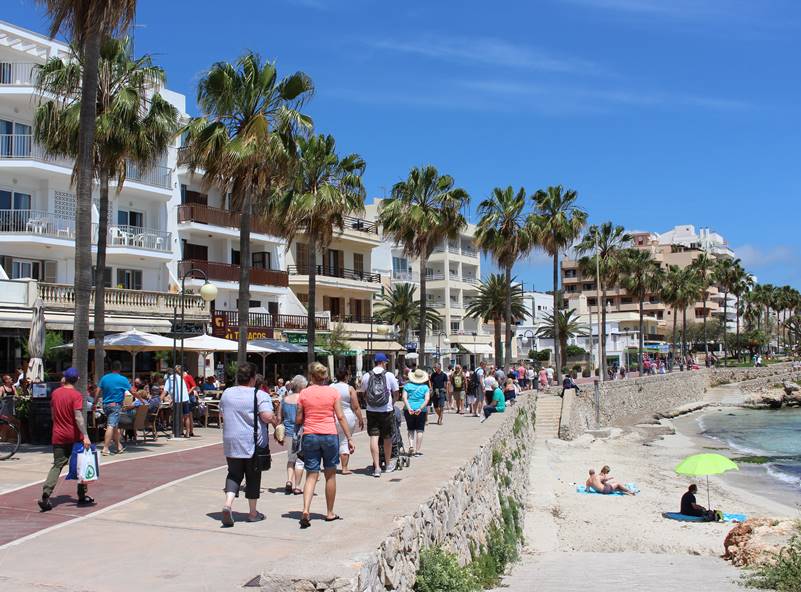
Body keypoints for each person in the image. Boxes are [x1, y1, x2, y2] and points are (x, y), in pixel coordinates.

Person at [219, 362, 278, 527]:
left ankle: (228, 504)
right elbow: (267, 416)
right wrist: (275, 420)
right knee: (253, 477)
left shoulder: (227, 393)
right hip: (252, 443)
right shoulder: (259, 395)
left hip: (231, 442)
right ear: (253, 378)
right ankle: (253, 513)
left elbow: (223, 412)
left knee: (233, 474)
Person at [297, 362, 355, 528]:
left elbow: (299, 419)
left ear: (311, 376)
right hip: (329, 435)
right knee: (330, 474)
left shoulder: (304, 393)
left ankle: (306, 509)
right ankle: (329, 513)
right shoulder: (332, 392)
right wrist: (349, 438)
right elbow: (341, 416)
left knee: (311, 475)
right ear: (324, 376)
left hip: (310, 435)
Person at [38, 367, 93, 511]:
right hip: (75, 436)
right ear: (77, 380)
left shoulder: (55, 393)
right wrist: (86, 435)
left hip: (58, 435)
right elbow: (78, 417)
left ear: (65, 378)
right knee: (82, 466)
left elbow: (52, 415)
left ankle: (46, 492)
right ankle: (82, 495)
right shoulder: (76, 395)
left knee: (57, 465)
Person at [361, 353, 399, 478]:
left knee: (374, 437)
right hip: (386, 410)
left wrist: (369, 403)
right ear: (383, 362)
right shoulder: (389, 375)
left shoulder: (367, 375)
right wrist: (392, 404)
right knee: (387, 437)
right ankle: (387, 465)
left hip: (371, 410)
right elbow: (396, 393)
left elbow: (363, 392)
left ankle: (377, 467)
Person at [277, 374, 307, 495]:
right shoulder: (303, 399)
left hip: (288, 432)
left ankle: (289, 480)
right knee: (300, 460)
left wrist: (278, 433)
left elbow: (279, 417)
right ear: (301, 387)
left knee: (291, 458)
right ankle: (297, 486)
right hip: (301, 432)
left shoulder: (284, 400)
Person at [331, 368, 364, 475]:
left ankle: (331, 465)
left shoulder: (330, 387)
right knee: (345, 441)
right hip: (347, 417)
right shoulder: (349, 388)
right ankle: (344, 468)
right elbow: (356, 407)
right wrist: (360, 419)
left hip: (333, 416)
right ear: (346, 376)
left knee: (332, 441)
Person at [97, 360, 131, 456]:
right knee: (111, 425)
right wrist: (141, 399)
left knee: (114, 426)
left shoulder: (104, 378)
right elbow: (132, 391)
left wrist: (95, 402)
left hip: (105, 405)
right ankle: (105, 448)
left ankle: (118, 446)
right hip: (115, 405)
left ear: (111, 368)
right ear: (120, 368)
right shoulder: (122, 379)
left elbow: (98, 390)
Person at [402, 368, 430, 456]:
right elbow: (427, 400)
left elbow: (404, 398)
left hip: (408, 410)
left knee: (410, 429)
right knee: (420, 430)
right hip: (421, 411)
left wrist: (409, 407)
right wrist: (420, 408)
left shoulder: (407, 386)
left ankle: (411, 446)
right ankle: (417, 451)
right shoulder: (425, 387)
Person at [164, 366, 192, 438]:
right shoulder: (180, 378)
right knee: (186, 416)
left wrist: (158, 400)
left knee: (177, 417)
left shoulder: (169, 379)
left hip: (178, 400)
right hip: (185, 398)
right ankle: (187, 433)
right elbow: (178, 390)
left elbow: (164, 392)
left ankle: (178, 432)